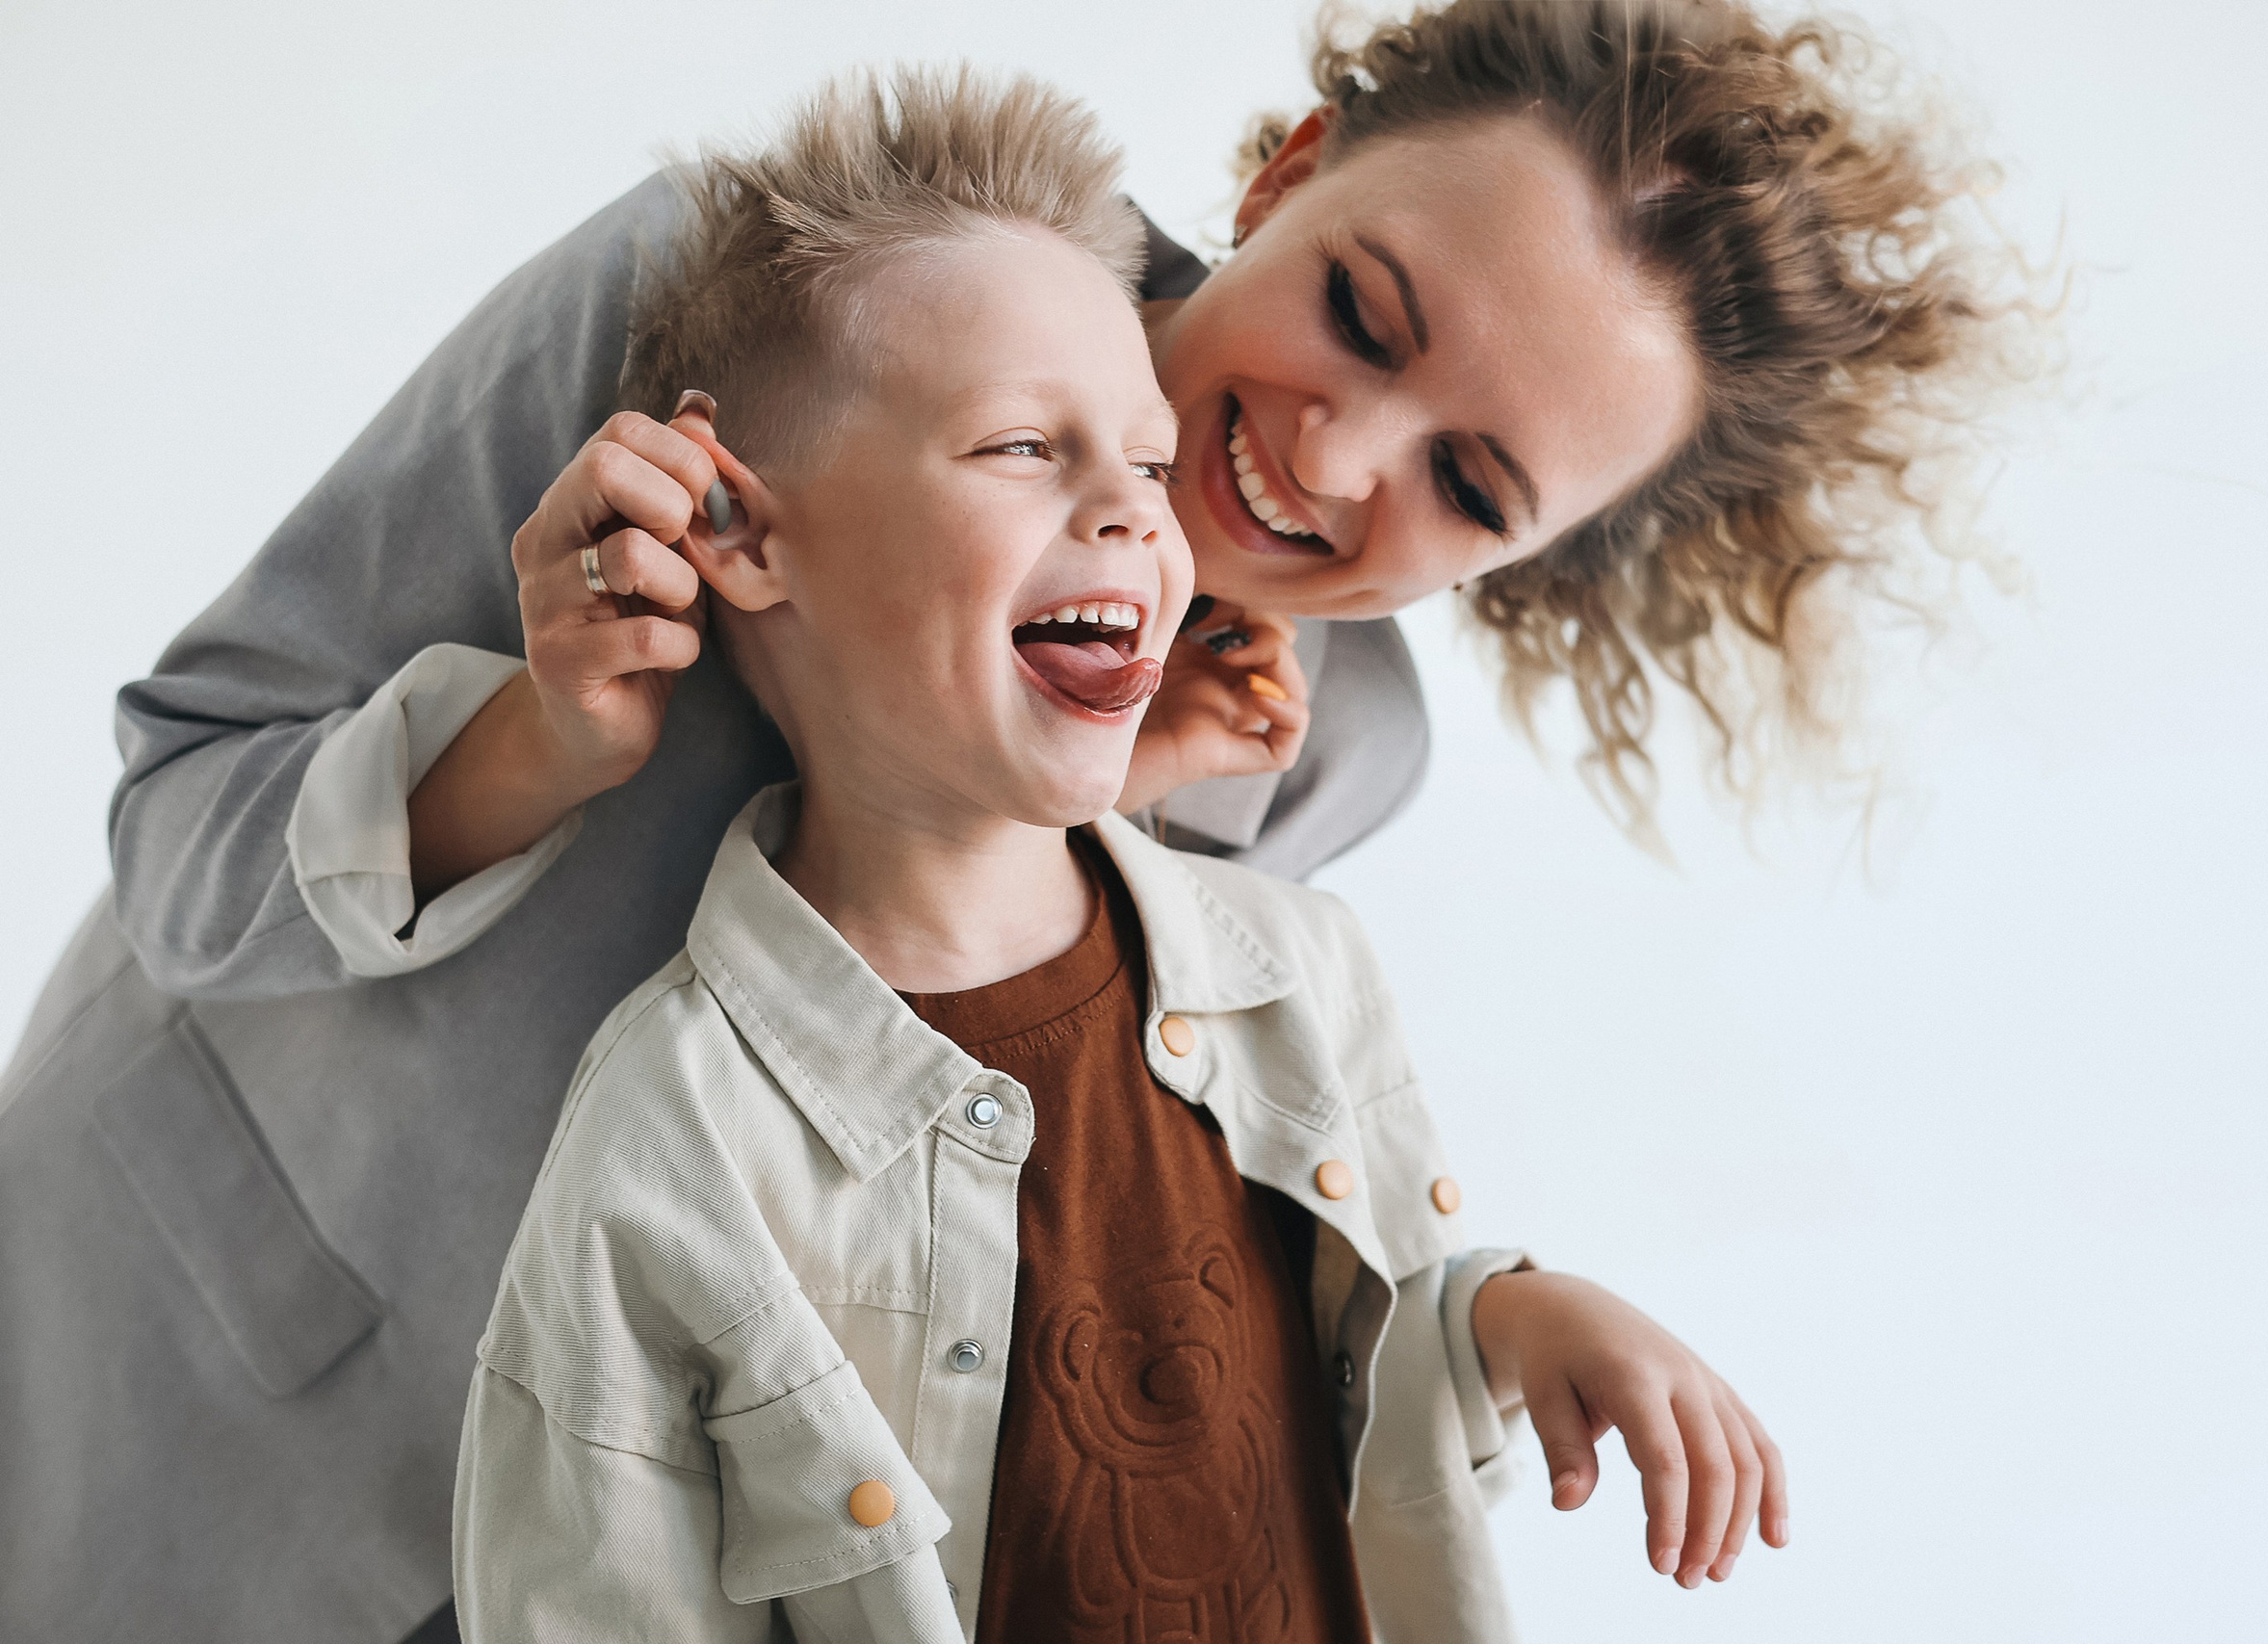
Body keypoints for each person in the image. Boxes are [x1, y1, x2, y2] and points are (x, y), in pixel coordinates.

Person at [0, 4, 2018, 1640]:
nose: (1326, 454)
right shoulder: (741, 281)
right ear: (1289, 174)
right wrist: (535, 741)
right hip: (189, 1385)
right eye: (1363, 314)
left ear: (1540, 552)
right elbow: (184, 807)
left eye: (1471, 487)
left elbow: (1032, 1202)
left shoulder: (1313, 751)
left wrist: (1475, 1308)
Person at [455, 70, 1775, 1643]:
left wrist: (1507, 1316)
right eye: (1026, 445)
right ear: (738, 530)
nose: (1153, 522)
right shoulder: (674, 1131)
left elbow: (1338, 1359)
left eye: (1146, 468)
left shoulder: (1305, 964)